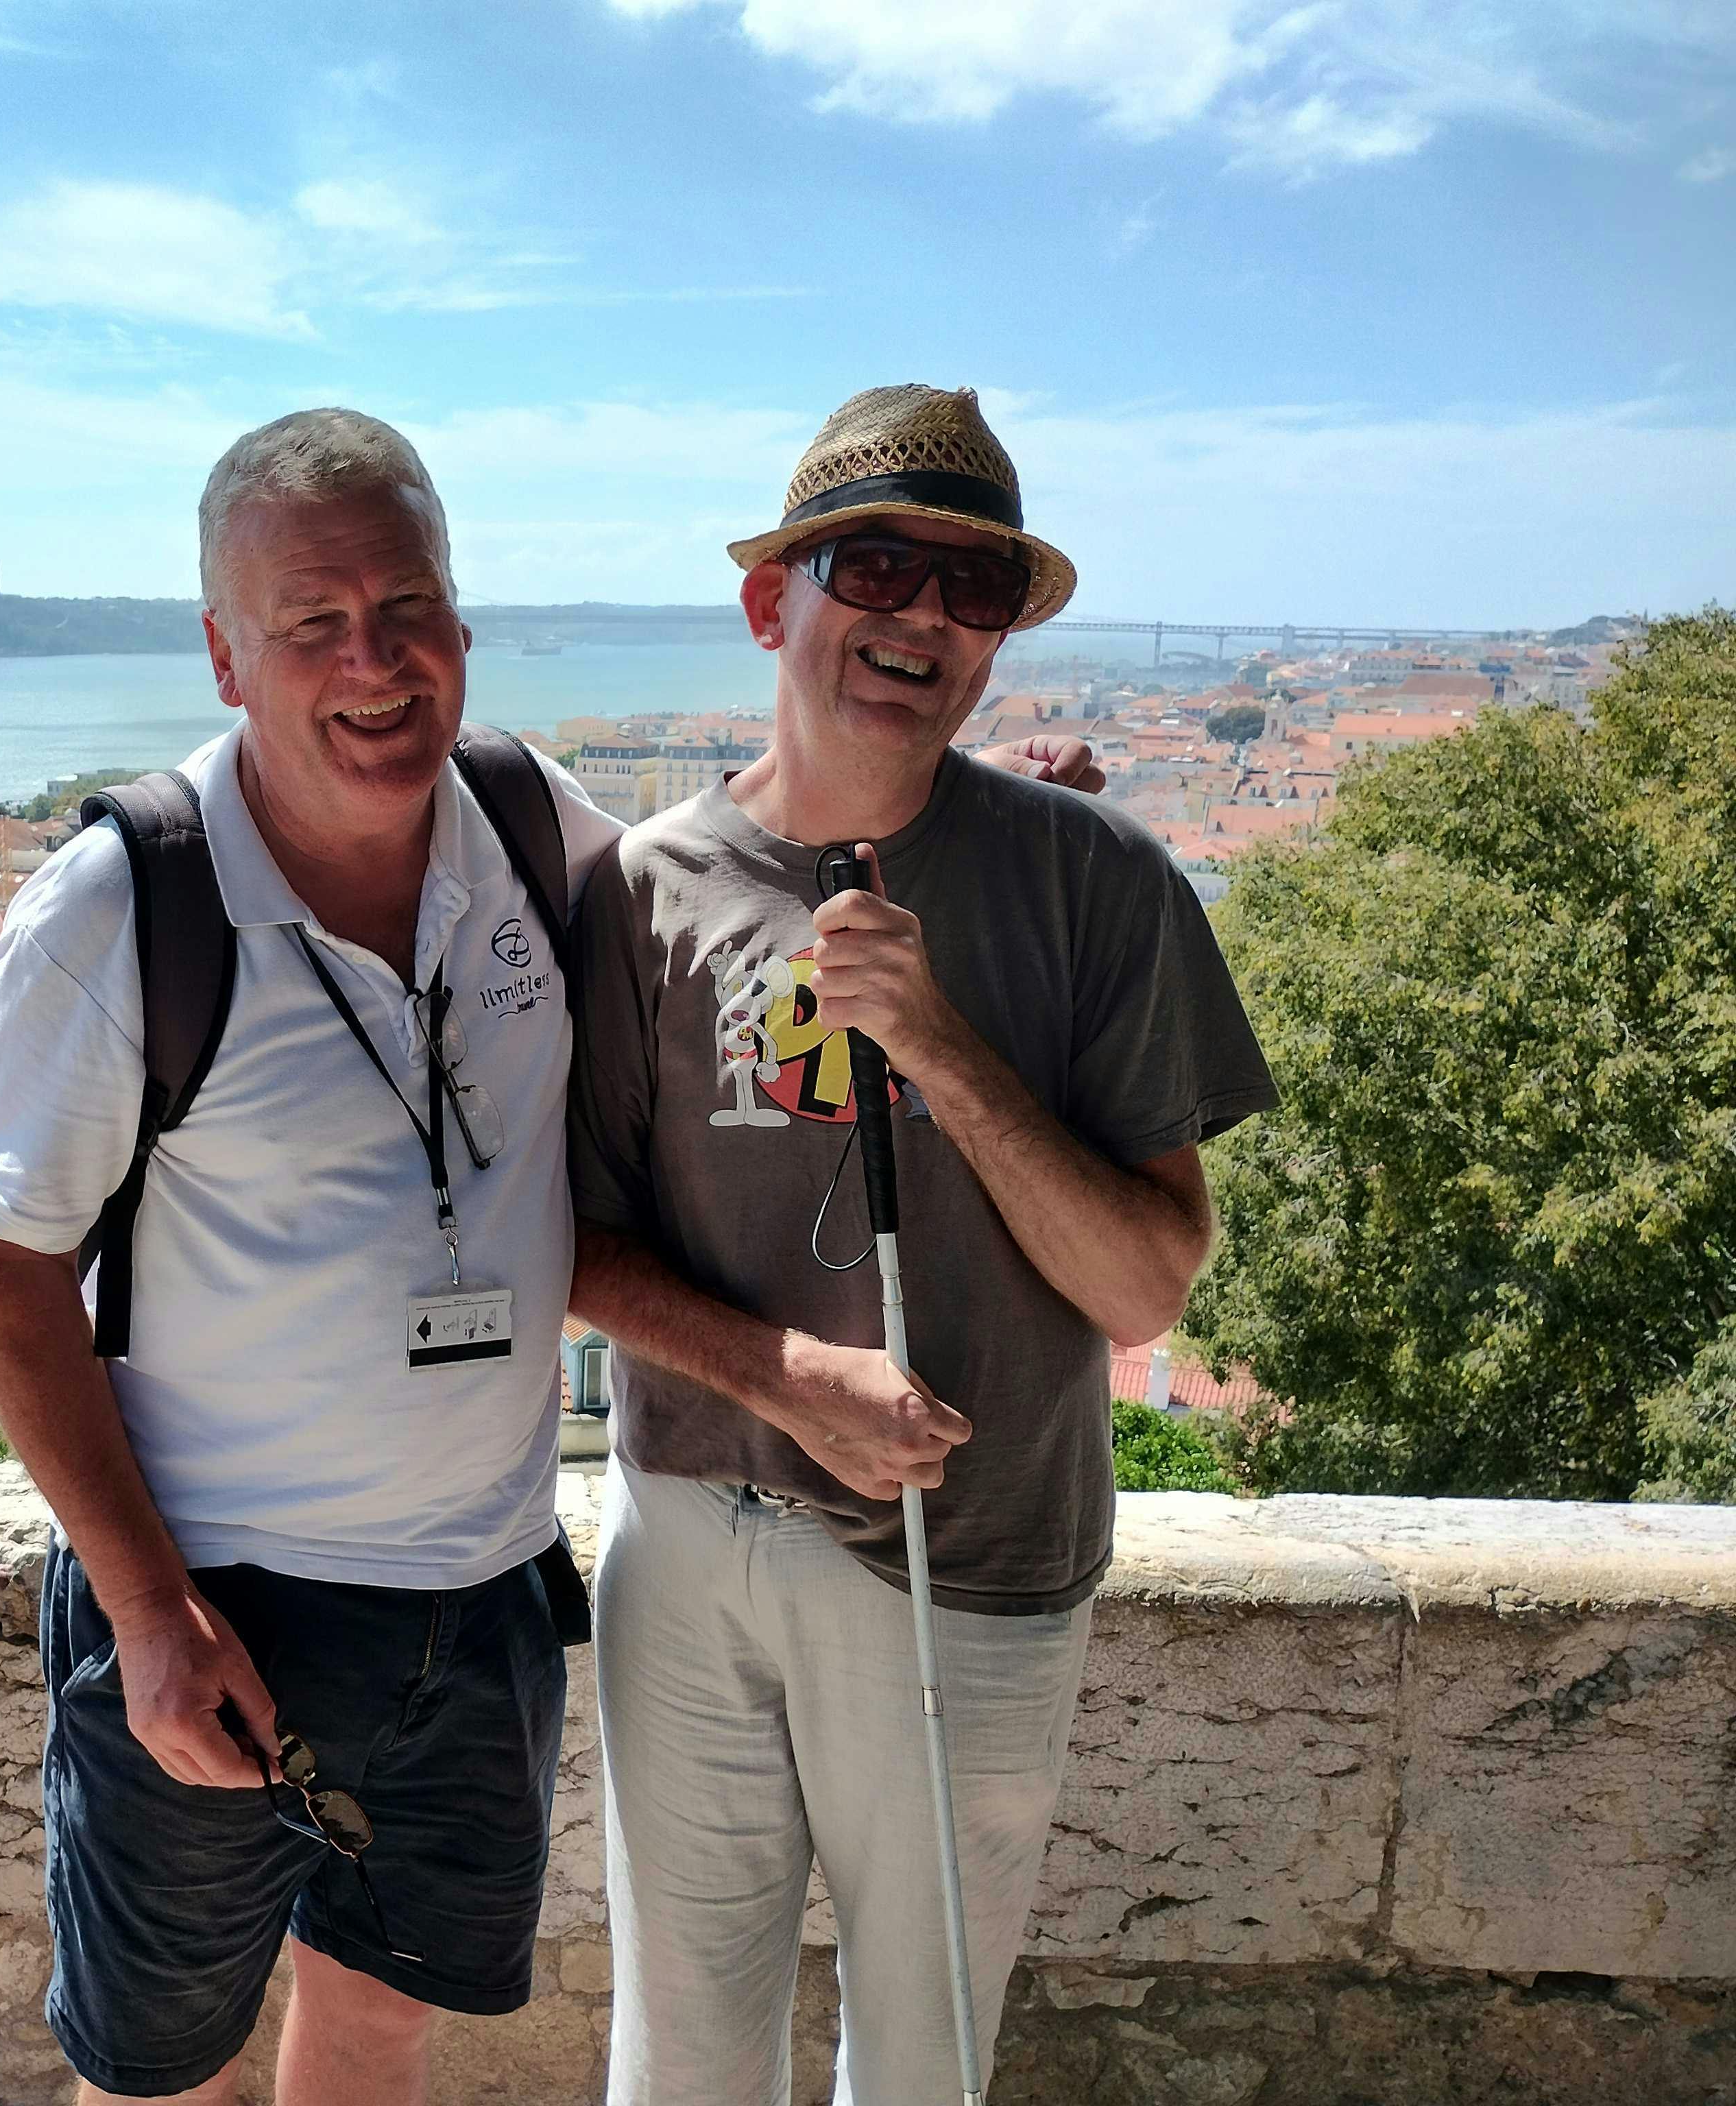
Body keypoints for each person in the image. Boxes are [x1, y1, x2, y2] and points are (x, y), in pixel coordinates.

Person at [567, 383, 1280, 2105]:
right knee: (680, 2062)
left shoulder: (1097, 884)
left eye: (975, 586)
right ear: (773, 605)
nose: (924, 616)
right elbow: (571, 1242)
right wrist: (785, 1378)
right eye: (875, 567)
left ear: (1000, 639)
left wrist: (941, 1042)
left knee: (922, 2067)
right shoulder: (647, 891)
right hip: (690, 1536)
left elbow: (1144, 1283)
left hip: (967, 1559)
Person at [0, 407, 626, 2106]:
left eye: (407, 607)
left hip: (487, 1590)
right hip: (223, 1601)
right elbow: (5, 1268)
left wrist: (959, 832)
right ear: (225, 656)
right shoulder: (120, 908)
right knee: (162, 2071)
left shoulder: (529, 826)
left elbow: (734, 923)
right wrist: (145, 1608)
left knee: (384, 2019)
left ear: (460, 618)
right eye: (313, 622)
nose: (373, 661)